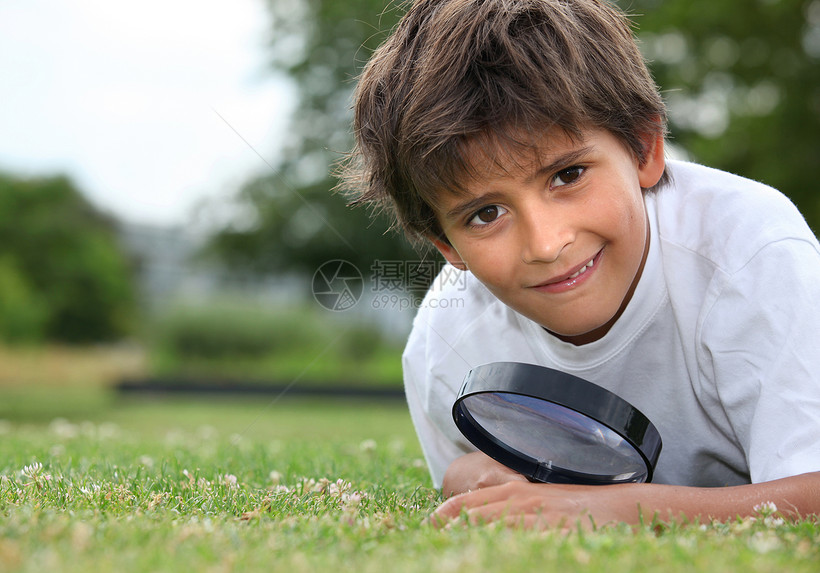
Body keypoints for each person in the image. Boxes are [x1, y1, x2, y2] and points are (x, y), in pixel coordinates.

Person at [340, 0, 820, 529]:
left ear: (644, 148)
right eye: (486, 213)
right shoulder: (445, 345)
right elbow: (466, 482)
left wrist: (615, 511)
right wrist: (474, 475)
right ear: (445, 246)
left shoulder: (750, 251)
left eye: (567, 176)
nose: (546, 244)